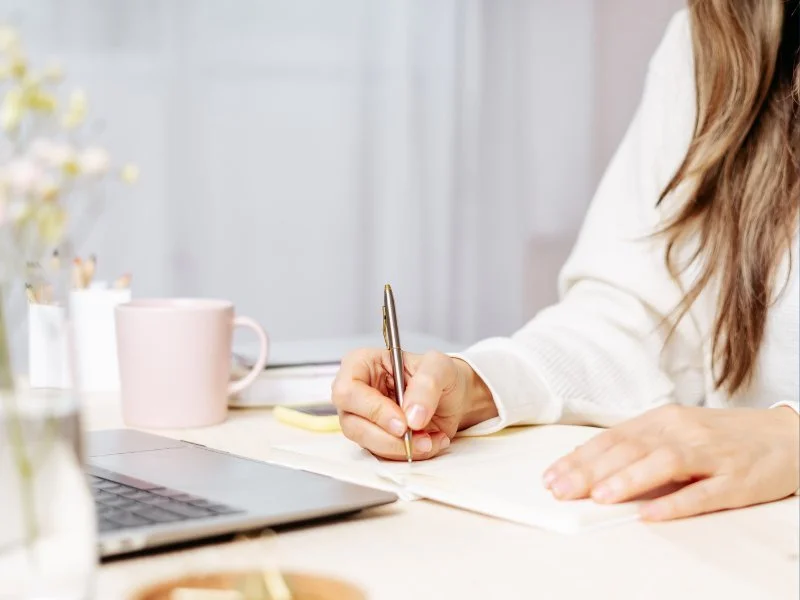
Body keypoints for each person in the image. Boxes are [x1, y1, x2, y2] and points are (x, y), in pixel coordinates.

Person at [332, 0, 800, 522]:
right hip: (729, 534)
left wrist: (790, 438)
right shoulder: (717, 33)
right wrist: (480, 386)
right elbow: (634, 318)